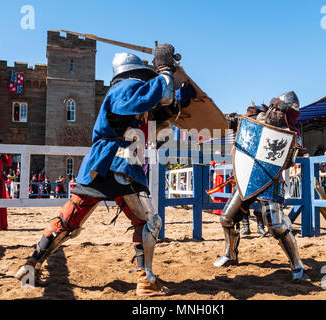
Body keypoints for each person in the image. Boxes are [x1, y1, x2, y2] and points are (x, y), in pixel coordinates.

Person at [16, 46, 195, 296]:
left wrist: (180, 100)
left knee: (68, 221)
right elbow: (160, 94)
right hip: (120, 165)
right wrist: (165, 71)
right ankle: (146, 280)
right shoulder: (125, 88)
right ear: (135, 74)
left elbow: (160, 121)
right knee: (148, 222)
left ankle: (30, 265)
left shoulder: (131, 100)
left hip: (99, 168)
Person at [213, 91, 308, 281]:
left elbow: (287, 163)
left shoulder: (291, 135)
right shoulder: (254, 120)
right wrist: (225, 119)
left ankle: (296, 263)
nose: (280, 114)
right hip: (247, 179)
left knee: (276, 226)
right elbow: (228, 124)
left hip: (270, 182)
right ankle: (230, 254)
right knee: (226, 218)